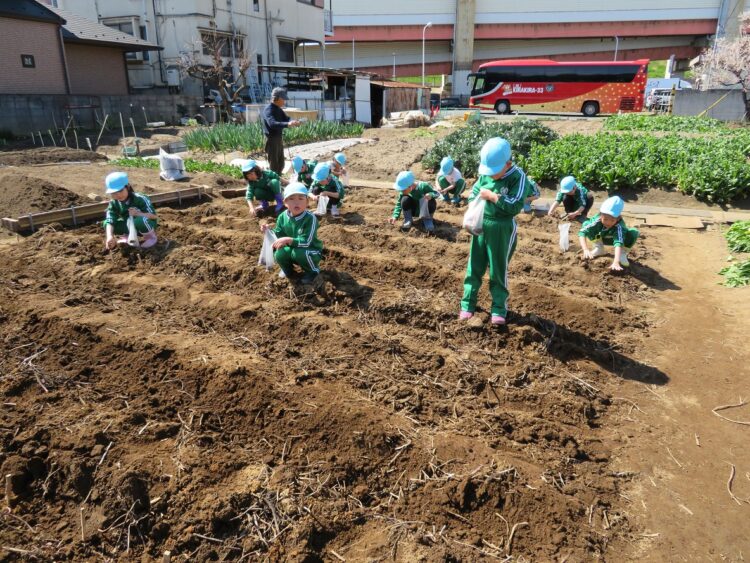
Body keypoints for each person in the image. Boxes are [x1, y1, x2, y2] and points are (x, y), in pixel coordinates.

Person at [460, 137, 533, 326]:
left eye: (494, 172)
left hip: (502, 228)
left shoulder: (519, 177)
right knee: (474, 265)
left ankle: (499, 308)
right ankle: (468, 303)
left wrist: (494, 197)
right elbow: (475, 192)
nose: (490, 176)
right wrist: (473, 209)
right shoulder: (485, 174)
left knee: (497, 269)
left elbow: (515, 206)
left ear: (508, 164)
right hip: (481, 224)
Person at [260, 182, 323, 285]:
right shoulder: (282, 217)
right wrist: (268, 231)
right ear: (285, 202)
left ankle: (313, 271)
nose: (296, 203)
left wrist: (289, 240)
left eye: (301, 199)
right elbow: (278, 235)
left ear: (307, 202)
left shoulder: (310, 218)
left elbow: (307, 242)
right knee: (280, 252)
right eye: (292, 199)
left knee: (299, 253)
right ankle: (288, 270)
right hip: (293, 248)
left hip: (311, 250)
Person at [578, 195, 639, 271]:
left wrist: (616, 261)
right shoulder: (597, 220)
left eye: (612, 220)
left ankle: (622, 253)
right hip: (601, 236)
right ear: (601, 215)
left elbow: (618, 242)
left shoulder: (619, 226)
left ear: (618, 218)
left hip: (615, 239)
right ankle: (599, 247)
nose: (608, 223)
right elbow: (582, 232)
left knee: (634, 232)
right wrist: (585, 249)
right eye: (605, 219)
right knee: (586, 224)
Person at [102, 171, 158, 250]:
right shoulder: (114, 203)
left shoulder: (140, 198)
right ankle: (127, 237)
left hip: (146, 225)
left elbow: (154, 216)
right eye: (113, 193)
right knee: (106, 224)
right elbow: (109, 220)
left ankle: (150, 237)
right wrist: (110, 236)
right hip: (129, 225)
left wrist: (138, 213)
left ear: (127, 187)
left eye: (120, 190)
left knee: (140, 220)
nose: (118, 195)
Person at [261, 87, 301, 175]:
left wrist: (294, 121)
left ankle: (278, 181)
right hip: (271, 140)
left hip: (278, 139)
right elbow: (272, 124)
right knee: (274, 165)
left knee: (281, 163)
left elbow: (286, 118)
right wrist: (288, 124)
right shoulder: (268, 110)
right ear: (277, 98)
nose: (284, 101)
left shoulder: (278, 109)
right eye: (283, 99)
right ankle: (273, 183)